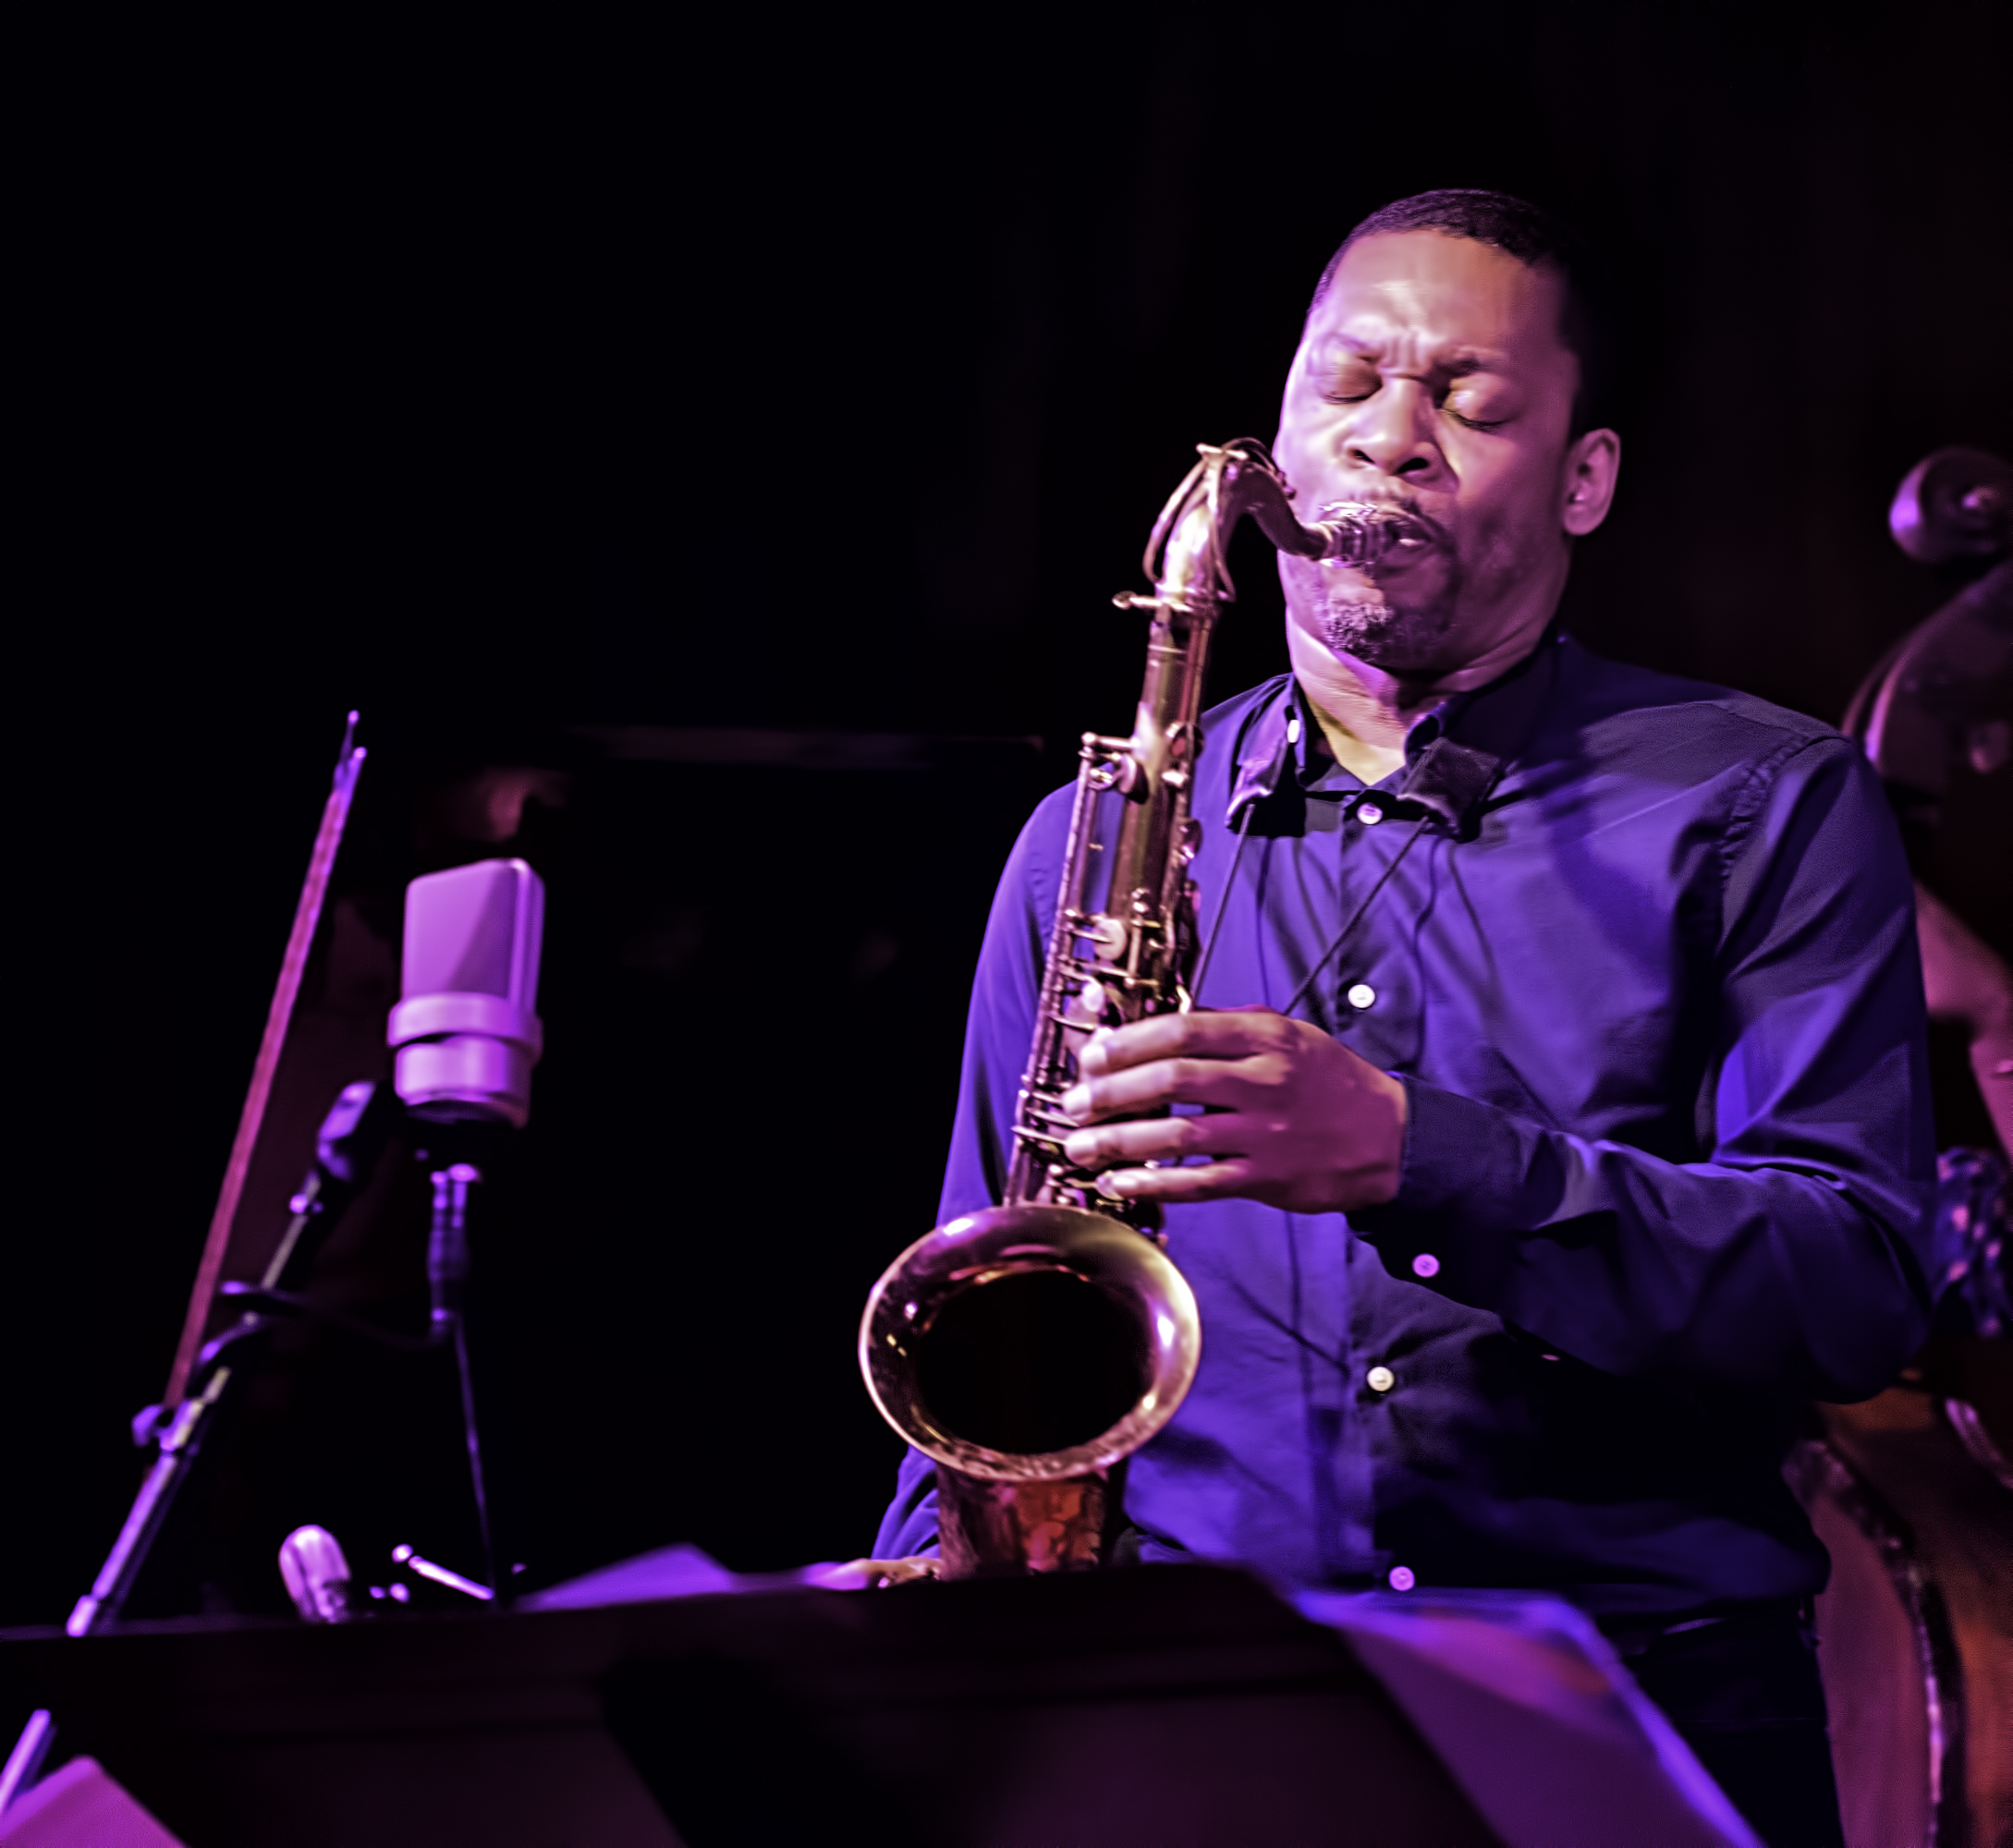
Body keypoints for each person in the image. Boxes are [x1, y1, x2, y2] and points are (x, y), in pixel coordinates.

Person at [873, 190, 1933, 1848]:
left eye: (1469, 400)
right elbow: (991, 1300)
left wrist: (1418, 1159)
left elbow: (1852, 1289)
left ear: (1582, 478)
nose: (1392, 441)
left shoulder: (1763, 798)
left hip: (1641, 1703)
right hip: (1196, 1713)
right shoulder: (1100, 837)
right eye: (1344, 385)